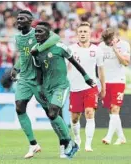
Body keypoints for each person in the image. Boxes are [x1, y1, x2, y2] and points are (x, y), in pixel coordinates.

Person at [31, 21, 95, 158]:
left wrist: (86, 77)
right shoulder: (35, 51)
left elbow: (75, 63)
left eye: (40, 31)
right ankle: (64, 148)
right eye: (35, 32)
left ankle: (71, 142)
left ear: (48, 33)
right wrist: (39, 87)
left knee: (53, 113)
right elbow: (39, 72)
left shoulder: (60, 47)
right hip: (47, 89)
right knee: (54, 117)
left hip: (61, 86)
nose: (37, 34)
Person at [11, 10, 60, 159]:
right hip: (25, 78)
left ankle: (66, 141)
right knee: (19, 107)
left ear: (31, 20)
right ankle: (33, 144)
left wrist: (38, 48)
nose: (19, 20)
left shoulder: (39, 32)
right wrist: (16, 68)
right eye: (18, 18)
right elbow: (24, 56)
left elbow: (56, 37)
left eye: (22, 18)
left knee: (51, 112)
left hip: (41, 79)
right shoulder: (18, 37)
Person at [68, 22, 105, 152]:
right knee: (74, 118)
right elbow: (67, 68)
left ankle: (88, 144)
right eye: (80, 32)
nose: (83, 34)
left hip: (91, 87)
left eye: (85, 32)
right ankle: (77, 138)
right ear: (77, 34)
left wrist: (103, 88)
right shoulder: (71, 49)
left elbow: (100, 70)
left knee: (89, 113)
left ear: (90, 34)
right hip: (75, 88)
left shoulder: (96, 50)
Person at [99, 28, 130, 145]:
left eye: (109, 39)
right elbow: (99, 65)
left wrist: (116, 50)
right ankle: (121, 137)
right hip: (105, 82)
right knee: (111, 112)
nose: (108, 42)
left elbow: (126, 63)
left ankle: (108, 137)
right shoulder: (101, 46)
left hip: (118, 80)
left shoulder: (124, 45)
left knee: (115, 108)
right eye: (106, 40)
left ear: (115, 36)